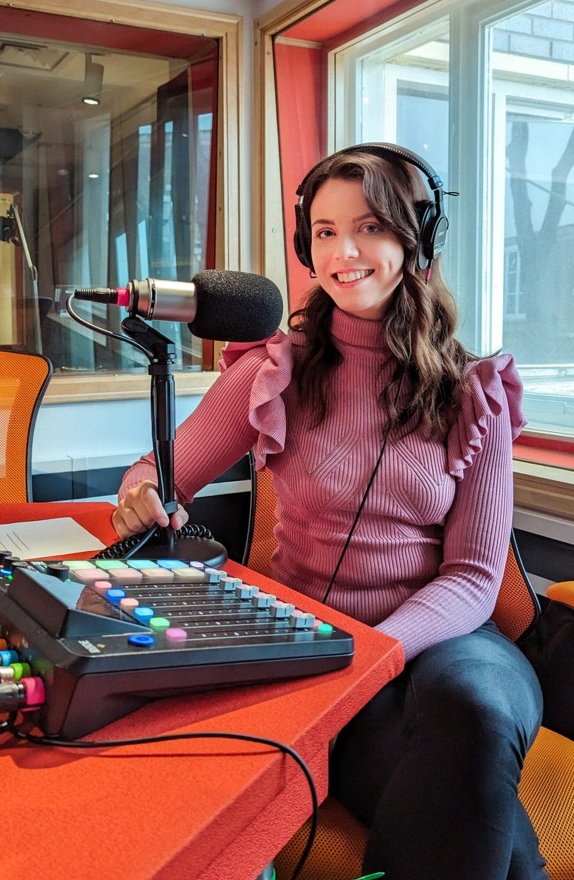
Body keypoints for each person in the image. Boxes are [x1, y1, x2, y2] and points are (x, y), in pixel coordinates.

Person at [113, 145, 546, 879]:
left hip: (447, 646)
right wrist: (141, 495)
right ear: (304, 246)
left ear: (418, 239)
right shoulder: (273, 369)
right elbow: (160, 469)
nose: (343, 252)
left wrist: (375, 652)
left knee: (472, 708)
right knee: (488, 830)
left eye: (369, 226)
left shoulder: (472, 390)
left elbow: (476, 577)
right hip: (317, 653)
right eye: (324, 231)